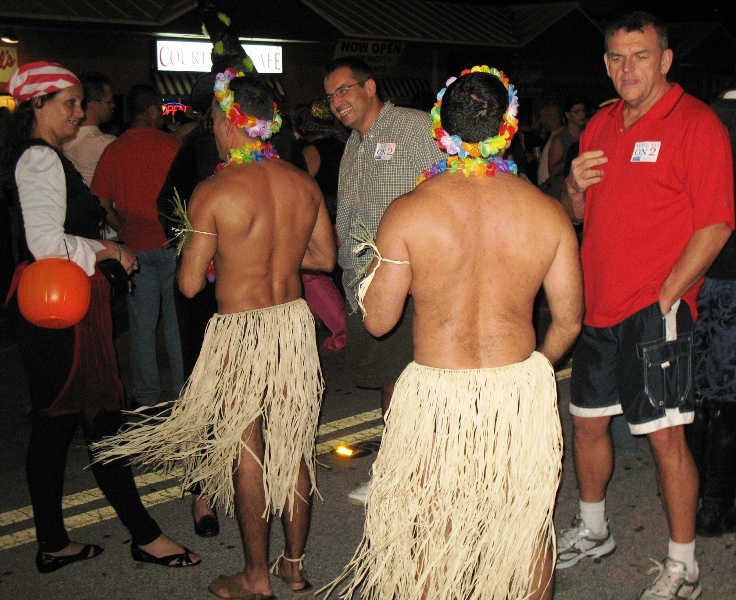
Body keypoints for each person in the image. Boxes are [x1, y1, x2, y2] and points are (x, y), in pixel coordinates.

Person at [324, 66, 583, 600]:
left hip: (438, 394)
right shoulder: (548, 213)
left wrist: (378, 264)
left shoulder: (410, 212)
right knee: (525, 529)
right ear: (510, 127)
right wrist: (537, 368)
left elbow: (378, 321)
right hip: (517, 391)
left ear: (440, 126)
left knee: (432, 531)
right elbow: (569, 320)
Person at [94, 70, 336, 599]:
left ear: (230, 122)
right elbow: (324, 258)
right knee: (292, 445)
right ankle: (293, 566)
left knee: (248, 450)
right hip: (293, 323)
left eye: (214, 122)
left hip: (242, 331)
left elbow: (186, 283)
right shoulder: (302, 183)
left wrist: (216, 255)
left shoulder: (214, 191)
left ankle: (255, 577)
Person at [558, 12, 734, 600]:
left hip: (653, 310)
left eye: (638, 55)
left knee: (664, 437)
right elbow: (583, 217)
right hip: (597, 307)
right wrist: (575, 188)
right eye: (614, 57)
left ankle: (683, 564)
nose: (625, 68)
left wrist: (669, 295)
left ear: (664, 58)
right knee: (586, 424)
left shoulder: (695, 123)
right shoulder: (601, 124)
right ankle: (593, 528)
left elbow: (715, 223)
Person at [2, 61, 199, 574]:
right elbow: (45, 243)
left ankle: (54, 541)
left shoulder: (35, 157)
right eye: (68, 101)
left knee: (59, 425)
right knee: (101, 421)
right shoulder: (41, 159)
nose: (79, 110)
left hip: (50, 307)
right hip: (64, 309)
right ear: (36, 105)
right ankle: (146, 536)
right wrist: (109, 251)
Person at [324, 56, 446, 505]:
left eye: (344, 90)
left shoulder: (414, 128)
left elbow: (452, 185)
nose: (337, 102)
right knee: (391, 379)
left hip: (412, 275)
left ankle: (399, 474)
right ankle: (408, 467)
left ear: (370, 86)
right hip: (365, 280)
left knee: (402, 380)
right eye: (330, 95)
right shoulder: (353, 144)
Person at [91, 84, 184, 410]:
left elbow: (101, 200)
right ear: (154, 110)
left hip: (134, 248)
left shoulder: (113, 151)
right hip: (171, 243)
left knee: (142, 326)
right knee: (175, 323)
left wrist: (121, 226)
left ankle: (145, 397)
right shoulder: (172, 146)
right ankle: (183, 391)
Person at [686, 89, 736, 537]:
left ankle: (698, 496)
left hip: (697, 271)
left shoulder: (704, 117)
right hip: (726, 278)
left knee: (703, 392)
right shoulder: (715, 120)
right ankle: (716, 505)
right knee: (725, 396)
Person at [62, 72, 116, 187]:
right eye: (109, 102)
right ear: (92, 104)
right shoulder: (106, 144)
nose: (113, 106)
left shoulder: (63, 139)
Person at [546, 96, 587, 200]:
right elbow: (553, 171)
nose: (581, 115)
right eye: (577, 111)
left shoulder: (587, 135)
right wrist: (573, 160)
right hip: (562, 191)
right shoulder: (560, 139)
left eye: (583, 110)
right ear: (568, 115)